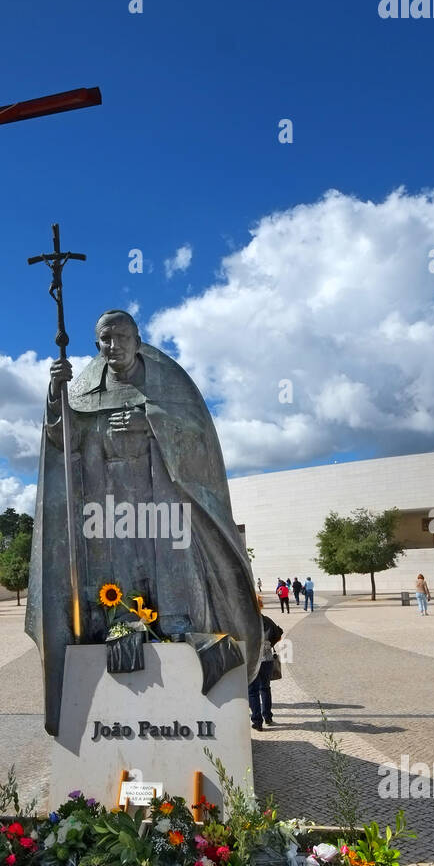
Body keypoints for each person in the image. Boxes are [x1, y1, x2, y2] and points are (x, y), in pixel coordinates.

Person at [27, 309, 261, 735]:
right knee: (118, 574)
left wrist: (150, 421)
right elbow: (65, 442)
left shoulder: (169, 385)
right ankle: (123, 632)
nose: (112, 346)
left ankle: (182, 636)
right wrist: (55, 393)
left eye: (120, 337)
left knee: (174, 571)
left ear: (137, 339)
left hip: (163, 500)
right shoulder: (84, 388)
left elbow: (198, 440)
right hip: (110, 501)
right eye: (104, 339)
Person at [248, 613, 283, 730]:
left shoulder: (245, 619)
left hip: (252, 660)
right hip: (267, 659)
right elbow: (278, 633)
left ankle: (257, 721)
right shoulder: (266, 619)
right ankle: (268, 716)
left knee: (253, 691)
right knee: (265, 688)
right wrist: (269, 645)